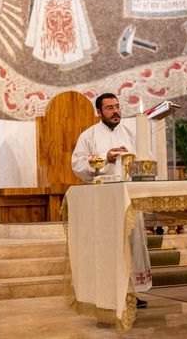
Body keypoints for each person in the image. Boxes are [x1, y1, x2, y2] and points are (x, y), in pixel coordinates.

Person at [72, 93, 152, 309]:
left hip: (127, 199)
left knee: (131, 245)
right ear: (99, 112)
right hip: (103, 202)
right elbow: (77, 165)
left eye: (117, 106)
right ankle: (106, 296)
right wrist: (105, 158)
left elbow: (141, 161)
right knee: (107, 247)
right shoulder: (88, 136)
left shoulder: (129, 133)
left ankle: (130, 293)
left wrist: (131, 159)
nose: (116, 111)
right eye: (110, 108)